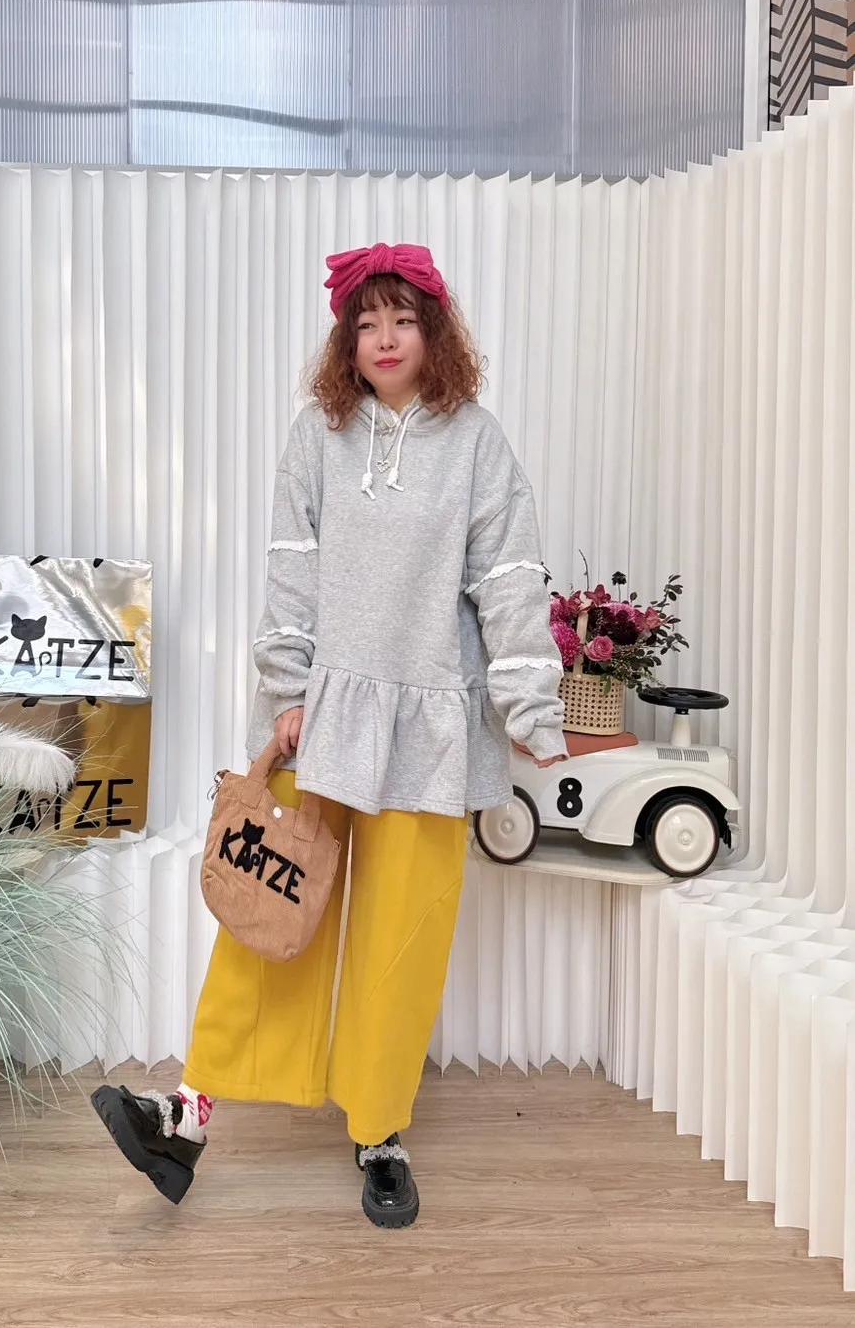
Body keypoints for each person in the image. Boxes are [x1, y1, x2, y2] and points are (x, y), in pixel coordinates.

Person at [92, 242, 568, 1228]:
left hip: (431, 727)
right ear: (346, 339)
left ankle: (380, 1131)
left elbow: (510, 579)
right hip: (325, 716)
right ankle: (188, 1115)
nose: (384, 338)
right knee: (271, 915)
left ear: (434, 332)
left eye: (402, 319)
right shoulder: (319, 433)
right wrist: (286, 687)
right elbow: (290, 567)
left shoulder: (477, 442)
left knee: (403, 940)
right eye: (366, 322)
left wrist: (531, 709)